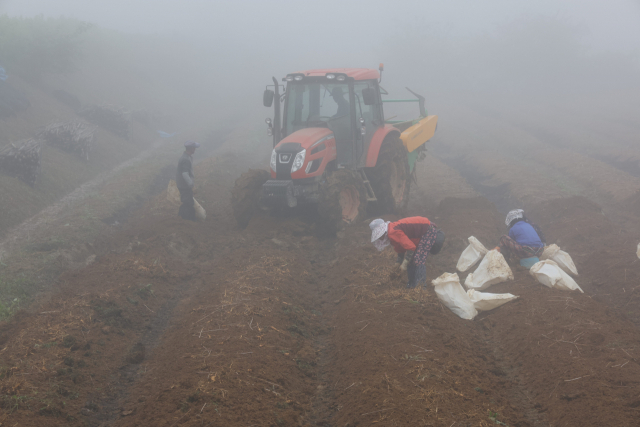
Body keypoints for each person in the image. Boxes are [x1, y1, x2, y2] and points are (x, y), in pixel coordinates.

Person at [370, 217, 445, 288]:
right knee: (412, 260)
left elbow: (411, 247)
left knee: (418, 259)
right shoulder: (391, 231)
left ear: (382, 231)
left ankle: (420, 287)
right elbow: (401, 247)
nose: (379, 238)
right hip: (424, 231)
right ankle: (411, 285)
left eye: (379, 235)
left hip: (428, 230)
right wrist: (398, 262)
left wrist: (404, 264)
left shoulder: (392, 231)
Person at [176, 140, 200, 221]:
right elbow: (185, 174)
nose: (195, 149)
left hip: (183, 184)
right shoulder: (185, 159)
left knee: (187, 201)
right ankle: (189, 219)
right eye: (194, 148)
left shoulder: (187, 157)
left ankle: (182, 217)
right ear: (191, 149)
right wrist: (191, 185)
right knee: (188, 202)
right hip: (184, 185)